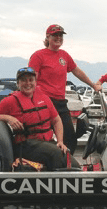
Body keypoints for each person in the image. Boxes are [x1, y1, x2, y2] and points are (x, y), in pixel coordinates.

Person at [0, 67, 80, 171]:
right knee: (56, 154)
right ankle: (59, 182)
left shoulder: (44, 98)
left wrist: (60, 141)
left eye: (31, 80)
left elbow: (56, 120)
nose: (28, 83)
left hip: (48, 142)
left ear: (35, 82)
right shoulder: (10, 101)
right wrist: (8, 118)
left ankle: (73, 178)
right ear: (18, 84)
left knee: (71, 162)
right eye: (23, 80)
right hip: (26, 145)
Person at [28, 24, 100, 155]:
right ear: (47, 37)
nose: (58, 38)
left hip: (61, 103)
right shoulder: (38, 56)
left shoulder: (64, 55)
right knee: (43, 138)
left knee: (70, 139)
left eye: (60, 35)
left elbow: (77, 71)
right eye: (55, 35)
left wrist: (93, 85)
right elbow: (31, 81)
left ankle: (65, 167)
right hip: (44, 103)